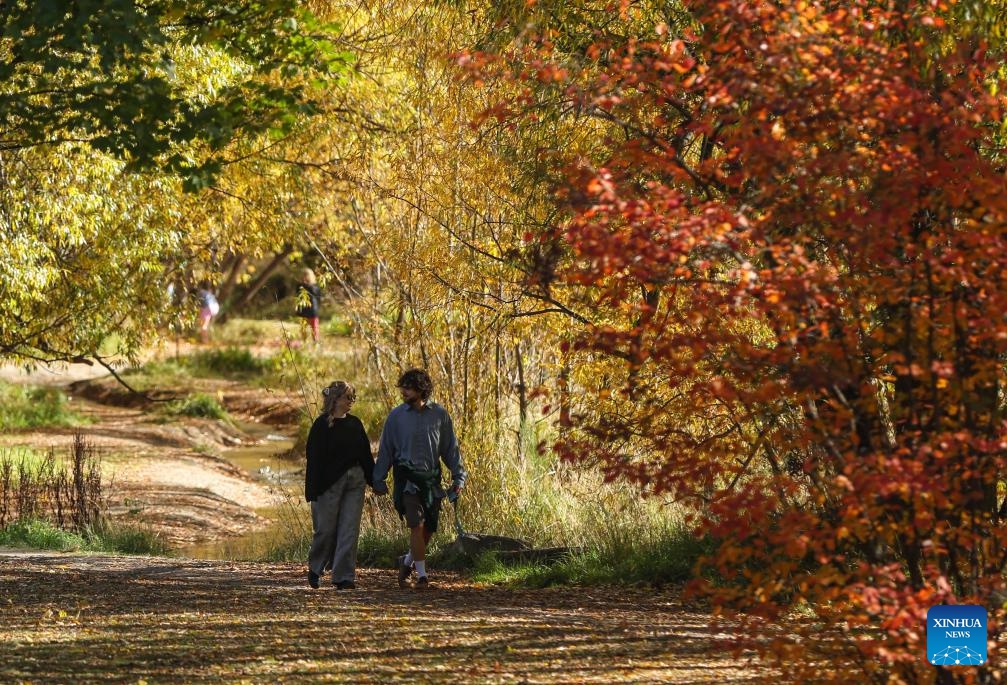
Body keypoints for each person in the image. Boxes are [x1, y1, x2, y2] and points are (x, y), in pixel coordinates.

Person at [372, 368, 467, 590]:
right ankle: (422, 577)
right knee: (416, 523)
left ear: (421, 389)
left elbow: (450, 449)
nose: (403, 391)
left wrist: (458, 477)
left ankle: (407, 562)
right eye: (402, 387)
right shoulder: (396, 417)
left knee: (429, 528)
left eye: (408, 387)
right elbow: (386, 449)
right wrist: (379, 479)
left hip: (431, 480)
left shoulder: (440, 415)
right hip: (407, 480)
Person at [305, 380, 375, 589]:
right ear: (335, 399)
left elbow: (365, 455)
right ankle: (316, 567)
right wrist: (312, 490)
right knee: (325, 530)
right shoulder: (321, 425)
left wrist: (374, 480)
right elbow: (314, 460)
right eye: (348, 397)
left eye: (353, 397)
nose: (351, 401)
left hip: (355, 482)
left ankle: (344, 576)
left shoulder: (355, 424)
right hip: (328, 485)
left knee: (349, 529)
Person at [296, 268, 322, 345]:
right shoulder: (299, 286)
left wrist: (307, 285)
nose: (304, 277)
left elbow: (318, 296)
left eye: (306, 275)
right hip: (303, 310)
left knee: (314, 328)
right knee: (303, 329)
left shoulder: (314, 286)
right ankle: (303, 343)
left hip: (312, 311)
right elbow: (297, 296)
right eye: (303, 275)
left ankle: (316, 343)